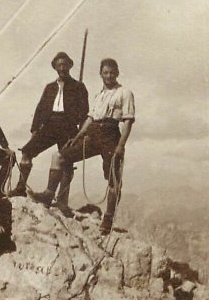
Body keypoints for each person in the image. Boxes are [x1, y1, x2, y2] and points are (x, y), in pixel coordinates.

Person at [29, 58, 134, 235]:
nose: (108, 76)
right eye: (105, 72)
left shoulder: (125, 92)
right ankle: (48, 194)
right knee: (59, 156)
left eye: (112, 72)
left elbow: (128, 121)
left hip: (111, 135)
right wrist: (77, 137)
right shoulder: (98, 95)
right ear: (101, 74)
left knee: (114, 179)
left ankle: (108, 218)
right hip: (92, 134)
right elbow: (90, 118)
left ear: (117, 73)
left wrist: (121, 146)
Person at [8, 52, 89, 218]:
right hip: (50, 125)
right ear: (55, 67)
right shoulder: (49, 87)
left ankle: (62, 200)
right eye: (58, 65)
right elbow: (40, 109)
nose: (62, 68)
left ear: (70, 66)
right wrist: (34, 129)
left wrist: (80, 131)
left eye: (65, 65)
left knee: (66, 162)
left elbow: (85, 111)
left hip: (68, 127)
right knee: (27, 151)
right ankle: (21, 187)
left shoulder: (79, 87)